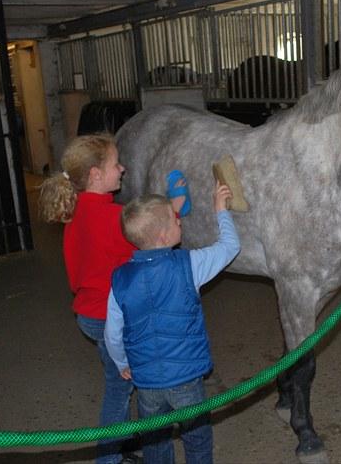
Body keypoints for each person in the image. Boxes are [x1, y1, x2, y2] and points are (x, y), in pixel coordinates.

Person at [39, 134, 189, 464]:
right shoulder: (111, 219)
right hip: (112, 321)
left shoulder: (77, 211)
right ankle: (108, 459)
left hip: (90, 314)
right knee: (120, 392)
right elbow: (151, 240)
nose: (123, 169)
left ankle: (118, 453)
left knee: (119, 385)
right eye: (115, 163)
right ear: (95, 174)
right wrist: (173, 211)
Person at [105, 183, 240, 464]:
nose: (180, 220)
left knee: (155, 440)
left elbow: (112, 334)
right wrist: (220, 210)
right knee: (197, 438)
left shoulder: (120, 279)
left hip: (146, 382)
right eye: (175, 218)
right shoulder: (189, 264)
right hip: (186, 379)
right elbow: (230, 247)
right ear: (166, 235)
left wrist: (121, 364)